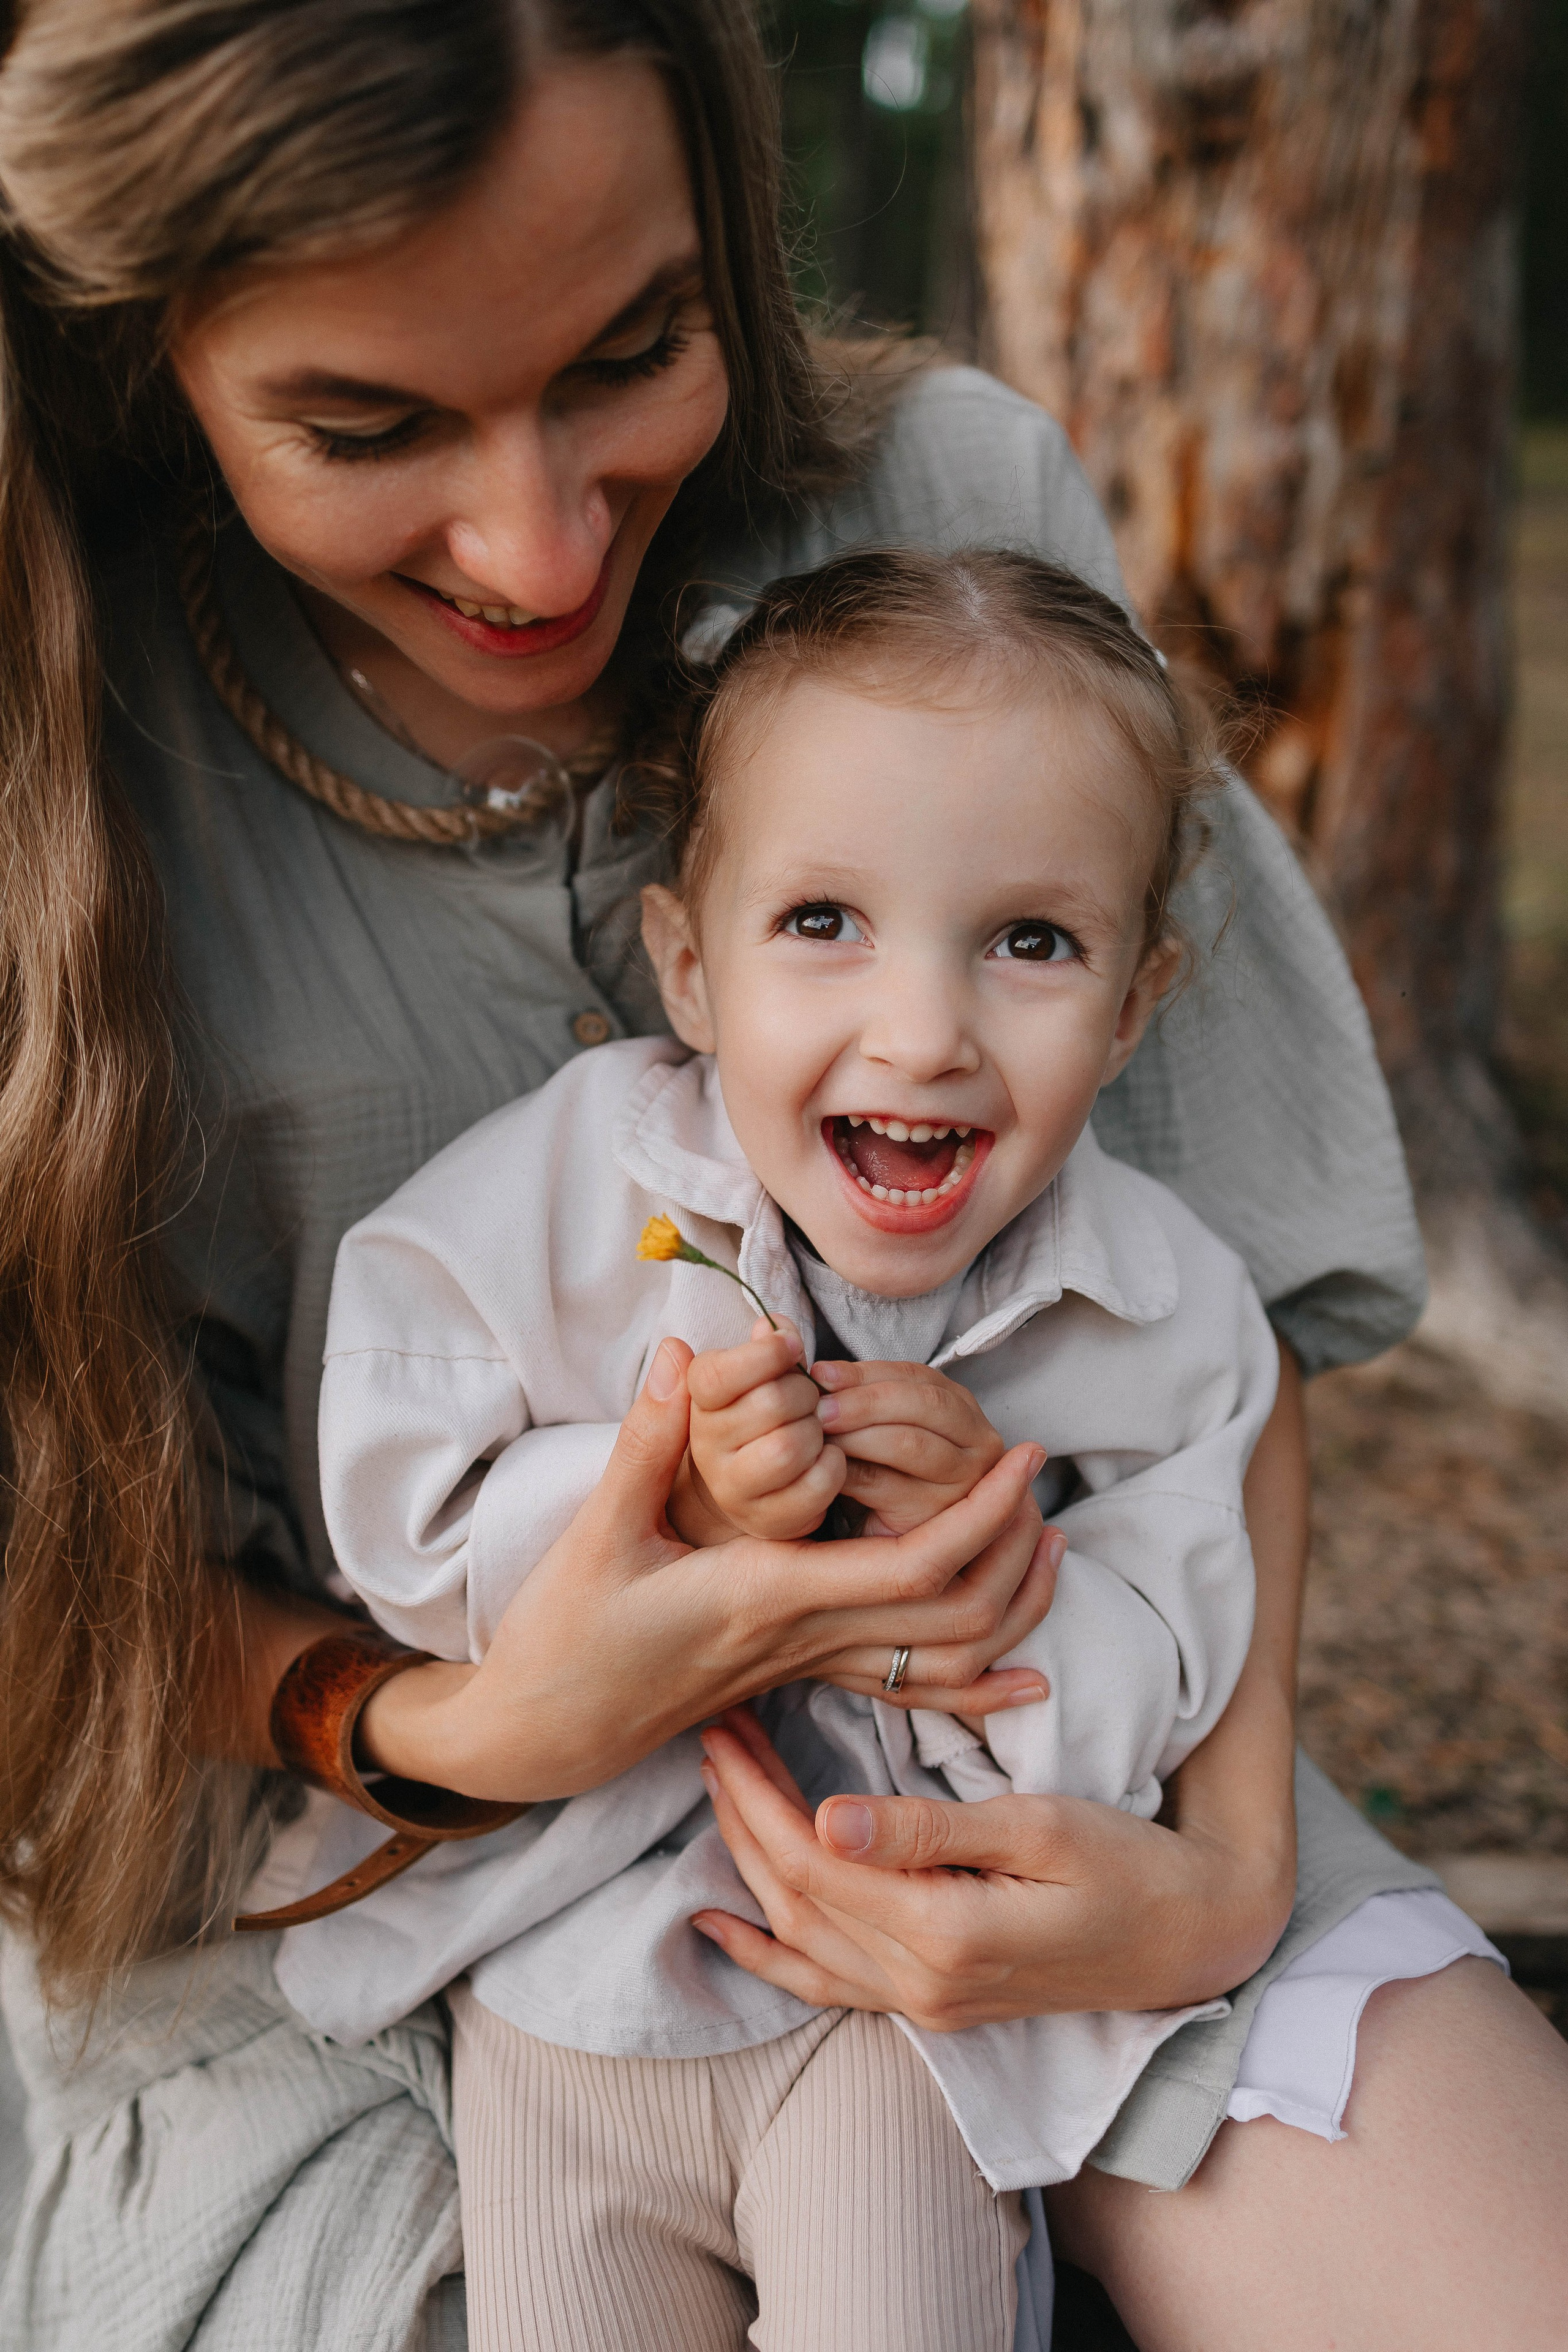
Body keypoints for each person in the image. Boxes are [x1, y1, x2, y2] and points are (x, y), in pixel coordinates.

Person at [0, 6, 1561, 2350]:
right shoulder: (56, 711)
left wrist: (1217, 1882)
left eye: (630, 351)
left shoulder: (950, 509)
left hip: (1033, 1764)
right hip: (310, 1883)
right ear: (147, 350)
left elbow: (1210, 1333)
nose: (537, 545)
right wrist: (458, 1726)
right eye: (369, 425)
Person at [294, 549, 1277, 2350]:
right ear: (690, 964)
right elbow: (400, 1511)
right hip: (566, 1991)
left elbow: (1170, 1679)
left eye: (1032, 942)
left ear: (1135, 1004)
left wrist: (1019, 1584)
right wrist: (650, 1499)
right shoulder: (576, 1189)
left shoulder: (1158, 1314)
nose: (924, 1033)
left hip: (894, 2009)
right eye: (824, 920)